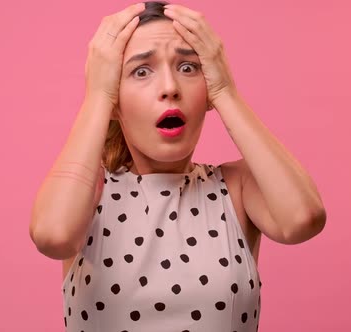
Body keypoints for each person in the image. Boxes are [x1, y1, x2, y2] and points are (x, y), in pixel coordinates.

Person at [29, 1, 327, 331]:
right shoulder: (88, 195)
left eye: (188, 68)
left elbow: (304, 219)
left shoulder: (238, 187)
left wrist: (226, 91)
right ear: (115, 97)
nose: (170, 88)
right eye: (141, 71)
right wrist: (97, 96)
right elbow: (52, 235)